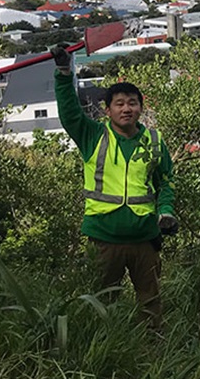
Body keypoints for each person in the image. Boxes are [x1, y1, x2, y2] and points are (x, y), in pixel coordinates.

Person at [51, 44, 175, 328]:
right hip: (103, 237)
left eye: (132, 102)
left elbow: (166, 181)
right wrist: (62, 72)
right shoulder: (93, 135)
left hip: (144, 238)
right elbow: (70, 114)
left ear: (141, 108)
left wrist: (166, 210)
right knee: (102, 302)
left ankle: (152, 347)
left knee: (150, 300)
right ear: (107, 110)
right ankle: (107, 350)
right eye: (119, 103)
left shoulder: (154, 140)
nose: (126, 109)